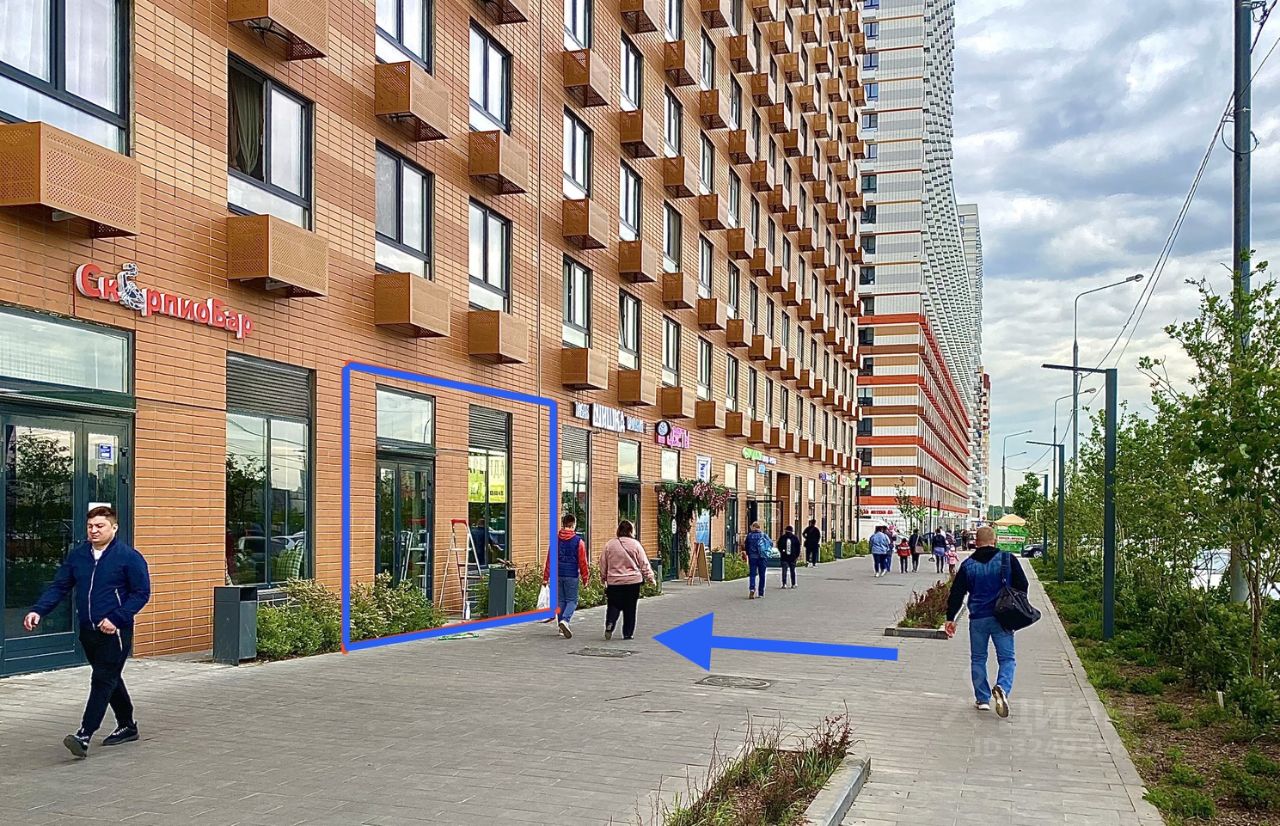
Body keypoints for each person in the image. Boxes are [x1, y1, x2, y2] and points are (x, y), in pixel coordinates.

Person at [25, 506, 151, 759]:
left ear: (114, 528)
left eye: (100, 526)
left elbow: (141, 593)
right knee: (109, 676)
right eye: (90, 526)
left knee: (102, 679)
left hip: (114, 631)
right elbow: (60, 586)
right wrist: (39, 610)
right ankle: (127, 725)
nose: (94, 531)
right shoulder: (79, 556)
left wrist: (116, 618)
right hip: (88, 630)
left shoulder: (128, 557)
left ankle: (84, 735)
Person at [944, 526, 1029, 717]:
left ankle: (982, 699)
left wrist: (950, 618)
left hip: (978, 619)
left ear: (976, 542)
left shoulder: (968, 565)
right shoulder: (1007, 559)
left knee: (978, 658)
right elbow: (1023, 584)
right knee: (1007, 658)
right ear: (995, 540)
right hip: (1002, 617)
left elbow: (956, 593)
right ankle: (1002, 687)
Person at [600, 521, 656, 641]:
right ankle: (628, 633)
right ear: (631, 531)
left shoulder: (610, 545)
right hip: (632, 582)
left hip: (614, 581)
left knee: (613, 604)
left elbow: (603, 562)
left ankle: (610, 623)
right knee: (630, 607)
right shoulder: (635, 545)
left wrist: (603, 577)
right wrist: (650, 577)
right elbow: (643, 562)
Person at [543, 513, 589, 639]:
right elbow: (583, 562)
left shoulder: (555, 540)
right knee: (572, 601)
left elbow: (549, 560)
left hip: (557, 574)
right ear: (573, 525)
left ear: (563, 524)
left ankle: (561, 627)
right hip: (571, 574)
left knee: (561, 601)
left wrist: (546, 577)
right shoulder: (579, 542)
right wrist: (585, 578)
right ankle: (565, 620)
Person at [744, 521, 769, 599]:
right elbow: (770, 544)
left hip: (752, 557)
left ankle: (752, 588)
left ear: (754, 527)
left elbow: (746, 546)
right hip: (762, 557)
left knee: (752, 574)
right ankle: (761, 593)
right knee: (762, 575)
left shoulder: (749, 536)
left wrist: (748, 554)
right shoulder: (764, 535)